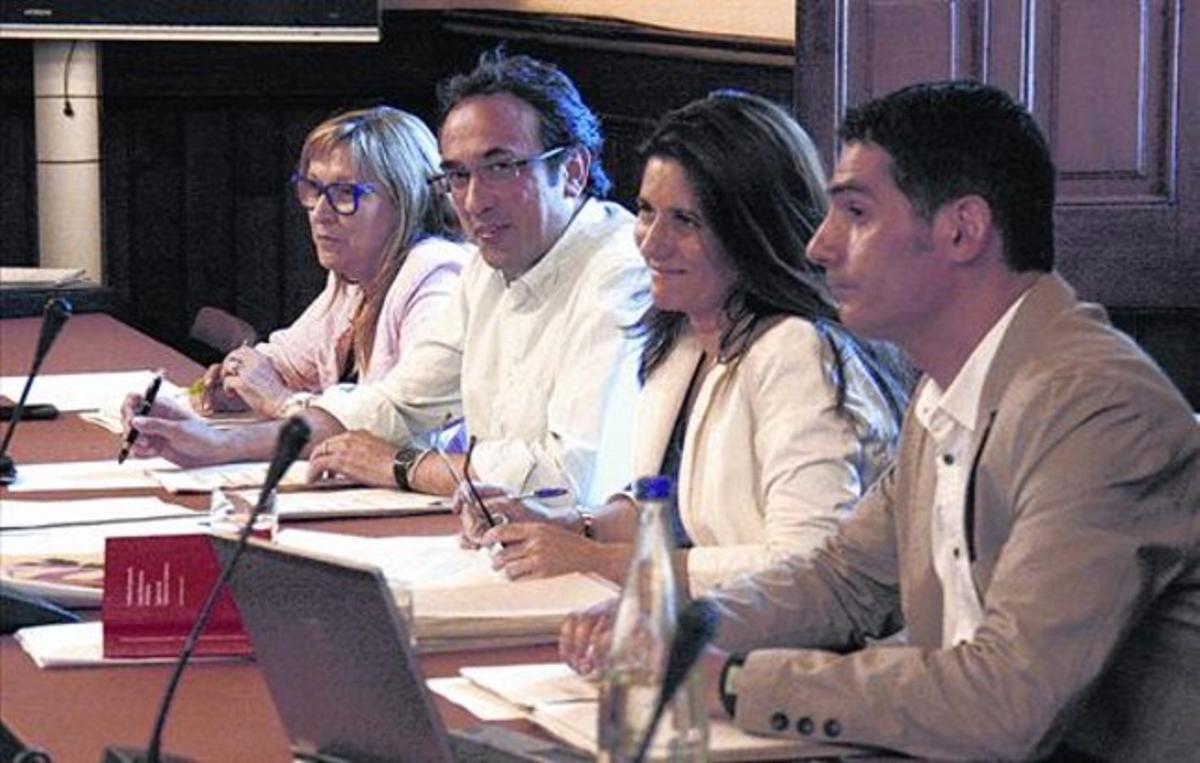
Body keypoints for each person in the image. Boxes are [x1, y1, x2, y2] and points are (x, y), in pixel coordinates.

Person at [561, 81, 1200, 760]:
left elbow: (1007, 699)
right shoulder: (950, 389)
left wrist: (736, 680)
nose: (818, 245)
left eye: (856, 213)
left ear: (962, 228)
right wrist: (677, 627)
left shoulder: (1096, 409)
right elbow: (843, 578)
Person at [123, 49, 649, 505]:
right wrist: (211, 444)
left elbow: (571, 478)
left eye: (501, 167)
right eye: (459, 175)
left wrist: (402, 467)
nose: (473, 201)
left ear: (574, 171)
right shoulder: (491, 268)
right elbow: (394, 407)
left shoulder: (618, 272)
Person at [462, 91, 910, 596]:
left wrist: (597, 559)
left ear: (752, 229)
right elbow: (665, 512)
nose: (651, 242)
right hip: (702, 631)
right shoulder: (681, 334)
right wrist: (568, 524)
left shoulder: (796, 351)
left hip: (793, 654)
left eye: (685, 221)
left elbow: (805, 566)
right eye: (647, 212)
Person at [193, 106, 468, 419]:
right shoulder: (354, 277)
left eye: (343, 193)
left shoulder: (438, 276)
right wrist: (237, 382)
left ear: (406, 200)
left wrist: (280, 402)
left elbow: (406, 423)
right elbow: (286, 364)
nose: (320, 213)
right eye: (313, 188)